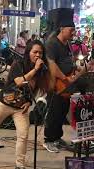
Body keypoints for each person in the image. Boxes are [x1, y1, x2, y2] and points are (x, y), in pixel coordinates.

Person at [0, 40, 56, 169]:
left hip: (19, 108)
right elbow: (20, 82)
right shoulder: (18, 64)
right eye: (35, 52)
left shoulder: (40, 71)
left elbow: (34, 89)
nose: (38, 55)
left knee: (23, 134)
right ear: (28, 53)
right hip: (4, 103)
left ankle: (19, 165)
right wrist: (35, 69)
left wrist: (28, 102)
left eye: (40, 52)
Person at [43, 20, 81, 153]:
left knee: (62, 111)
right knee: (54, 111)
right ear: (62, 28)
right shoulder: (52, 43)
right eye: (71, 30)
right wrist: (65, 78)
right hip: (57, 84)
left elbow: (69, 61)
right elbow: (51, 64)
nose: (73, 33)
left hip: (67, 85)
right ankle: (48, 140)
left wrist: (77, 67)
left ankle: (57, 137)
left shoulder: (68, 44)